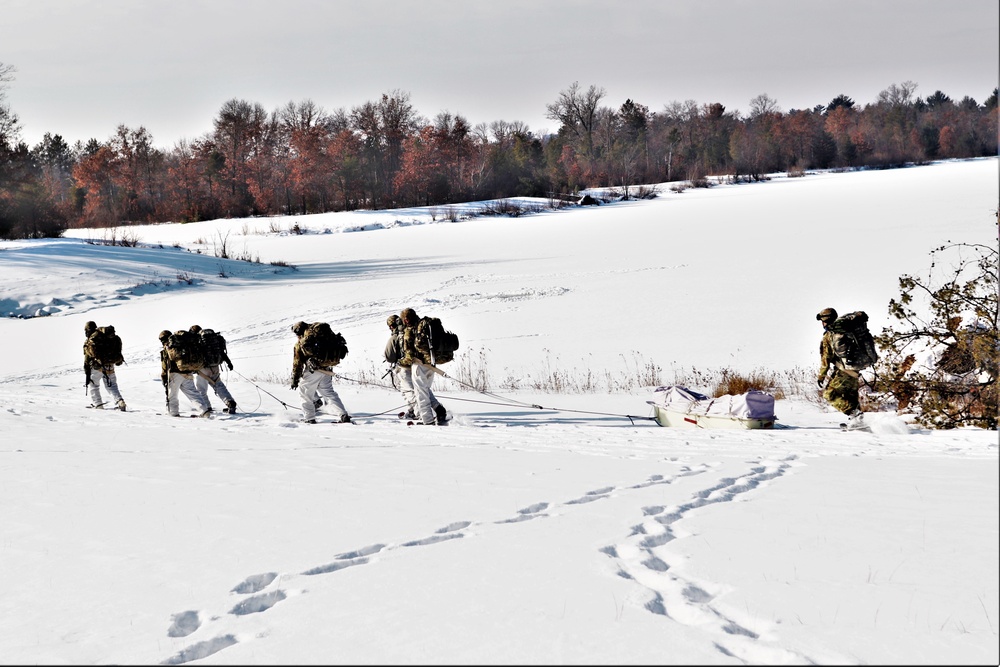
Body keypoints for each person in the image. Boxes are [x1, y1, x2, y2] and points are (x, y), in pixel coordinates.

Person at [290, 321, 352, 424]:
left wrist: (295, 380)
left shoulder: (301, 343)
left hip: (313, 371)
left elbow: (298, 364)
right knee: (329, 394)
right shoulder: (321, 337)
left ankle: (309, 418)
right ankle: (343, 414)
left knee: (305, 394)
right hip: (327, 369)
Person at [398, 307, 449, 425]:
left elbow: (409, 355)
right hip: (431, 364)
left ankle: (427, 420)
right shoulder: (423, 326)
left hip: (419, 365)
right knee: (425, 390)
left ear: (405, 320)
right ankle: (439, 410)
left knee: (421, 393)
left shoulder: (410, 331)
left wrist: (401, 363)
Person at [816, 307, 865, 429]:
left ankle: (855, 414)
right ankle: (857, 422)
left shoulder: (829, 335)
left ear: (825, 321)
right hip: (854, 369)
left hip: (844, 370)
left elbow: (826, 358)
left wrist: (821, 376)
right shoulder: (847, 332)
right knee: (851, 396)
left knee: (829, 394)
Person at [159, 329, 212, 418]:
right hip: (188, 372)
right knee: (193, 394)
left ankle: (173, 413)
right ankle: (204, 410)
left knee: (172, 395)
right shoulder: (181, 344)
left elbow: (165, 365)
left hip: (174, 374)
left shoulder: (168, 347)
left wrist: (164, 377)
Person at [189, 324, 238, 414]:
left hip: (202, 369)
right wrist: (229, 363)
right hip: (215, 366)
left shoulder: (197, 340)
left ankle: (207, 408)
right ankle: (230, 402)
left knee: (201, 390)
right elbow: (222, 352)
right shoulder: (212, 339)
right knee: (219, 386)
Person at [83, 320, 127, 411]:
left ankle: (98, 405)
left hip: (97, 367)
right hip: (110, 364)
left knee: (94, 385)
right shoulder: (105, 336)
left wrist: (86, 369)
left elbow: (88, 356)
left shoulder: (92, 338)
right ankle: (120, 401)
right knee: (112, 386)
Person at [385, 314, 417, 420]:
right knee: (420, 389)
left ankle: (418, 412)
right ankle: (412, 410)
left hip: (403, 368)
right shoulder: (411, 332)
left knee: (408, 391)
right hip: (417, 366)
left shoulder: (395, 337)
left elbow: (389, 356)